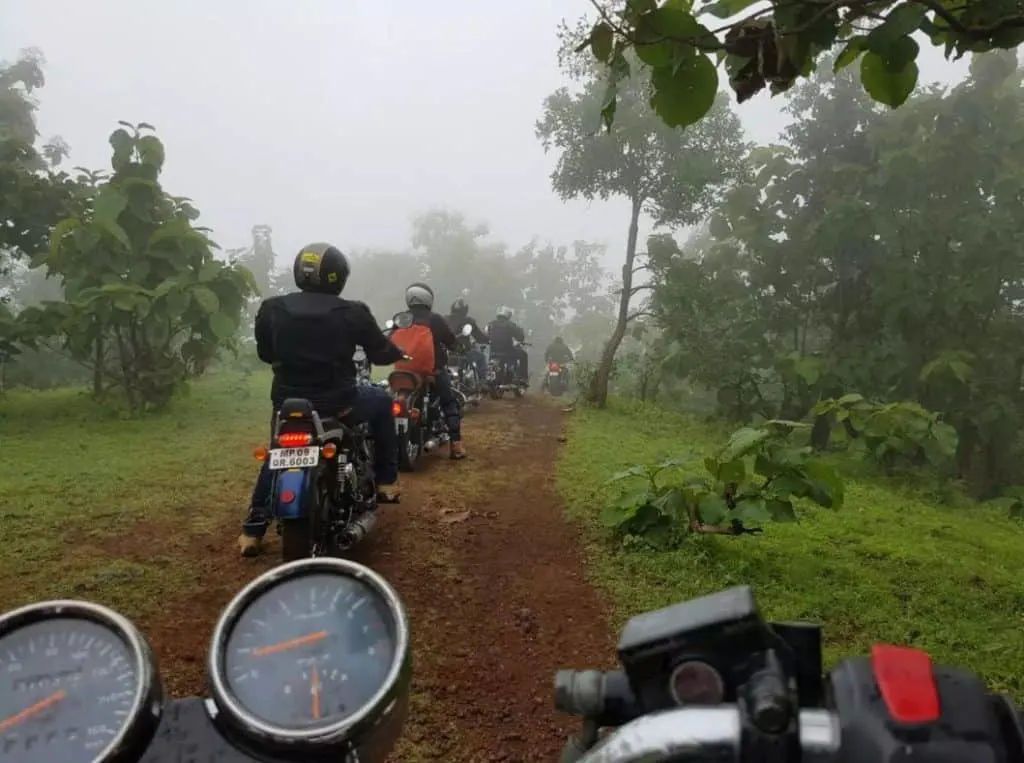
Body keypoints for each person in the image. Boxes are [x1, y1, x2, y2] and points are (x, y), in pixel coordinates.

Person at [237, 242, 404, 558]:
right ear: (338, 276)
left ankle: (252, 530)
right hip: (338, 403)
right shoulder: (352, 312)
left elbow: (265, 353)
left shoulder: (272, 308)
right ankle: (385, 481)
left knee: (279, 452)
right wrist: (396, 352)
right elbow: (381, 353)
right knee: (382, 401)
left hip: (288, 405)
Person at [403, 283, 466, 460]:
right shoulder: (435, 319)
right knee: (449, 403)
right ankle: (456, 447)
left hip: (405, 371)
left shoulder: (403, 318)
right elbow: (450, 341)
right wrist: (459, 348)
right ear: (428, 299)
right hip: (433, 371)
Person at [445, 297, 489, 383]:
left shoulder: (445, 319)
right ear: (465, 309)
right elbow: (479, 337)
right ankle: (483, 381)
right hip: (463, 351)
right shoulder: (468, 320)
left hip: (446, 351)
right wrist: (488, 340)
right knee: (481, 357)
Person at [487, 306, 528, 384]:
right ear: (508, 315)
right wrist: (521, 335)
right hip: (507, 351)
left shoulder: (491, 324)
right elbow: (520, 337)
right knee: (523, 354)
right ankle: (523, 377)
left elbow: (486, 335)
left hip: (493, 351)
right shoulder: (510, 324)